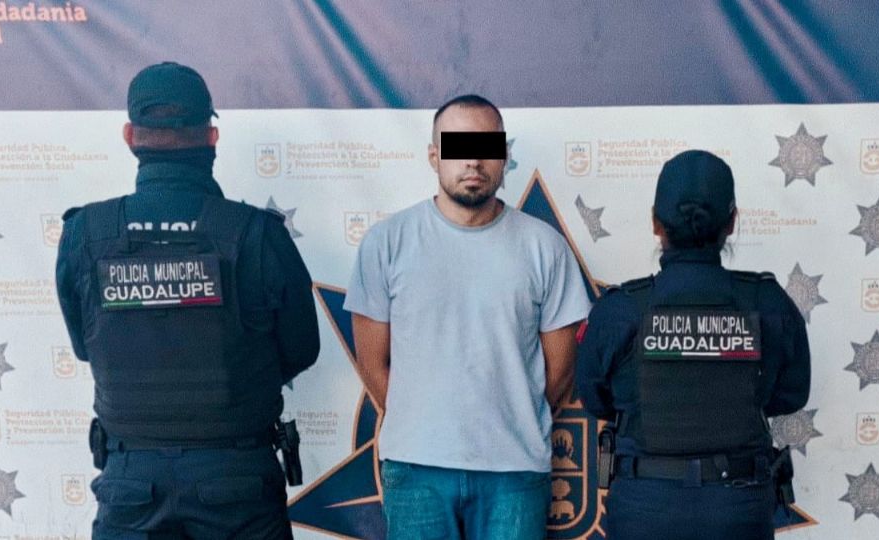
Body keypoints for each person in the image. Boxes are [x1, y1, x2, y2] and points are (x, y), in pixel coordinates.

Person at [55, 61, 320, 539]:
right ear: (212, 137)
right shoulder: (255, 233)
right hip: (236, 481)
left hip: (131, 485)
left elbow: (84, 346)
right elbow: (302, 349)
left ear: (129, 136)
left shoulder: (85, 234)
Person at [344, 94, 591, 539]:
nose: (473, 161)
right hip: (415, 470)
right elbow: (372, 363)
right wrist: (422, 424)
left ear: (504, 156)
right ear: (433, 156)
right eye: (458, 146)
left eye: (486, 147)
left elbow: (559, 373)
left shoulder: (544, 248)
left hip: (514, 471)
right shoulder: (386, 243)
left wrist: (512, 419)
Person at [576, 150, 810, 540]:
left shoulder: (620, 310)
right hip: (737, 508)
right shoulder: (766, 302)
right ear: (731, 222)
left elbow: (596, 401)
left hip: (644, 510)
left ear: (655, 223)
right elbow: (790, 396)